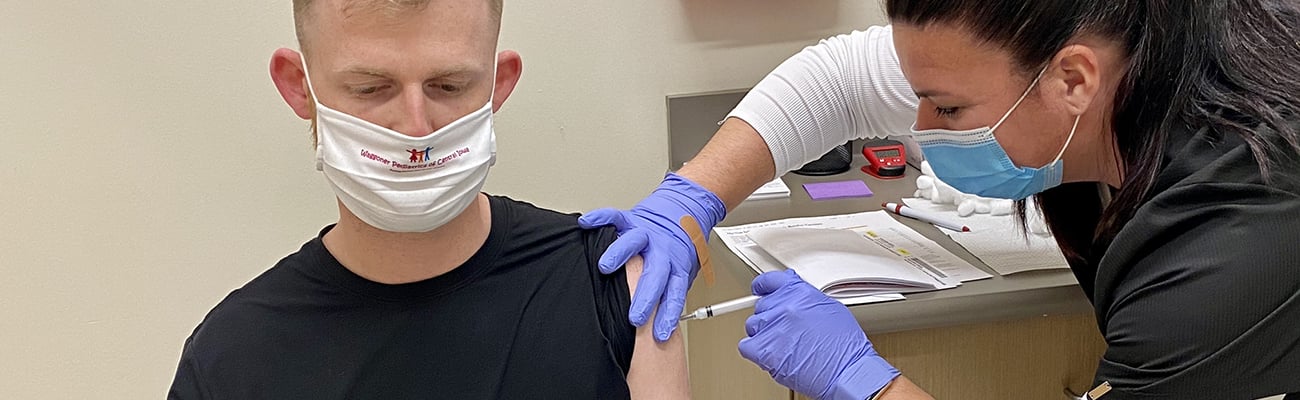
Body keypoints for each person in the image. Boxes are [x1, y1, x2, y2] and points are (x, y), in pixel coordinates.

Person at [583, 0, 1300, 399]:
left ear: (1074, 82)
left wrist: (865, 384)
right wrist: (689, 197)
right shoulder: (1117, 36)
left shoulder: (1228, 238)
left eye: (948, 110)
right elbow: (839, 83)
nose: (919, 130)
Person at [167, 0, 688, 399]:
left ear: (498, 85)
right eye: (370, 88)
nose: (416, 130)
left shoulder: (615, 285)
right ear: (299, 87)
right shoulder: (230, 360)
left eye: (449, 85)